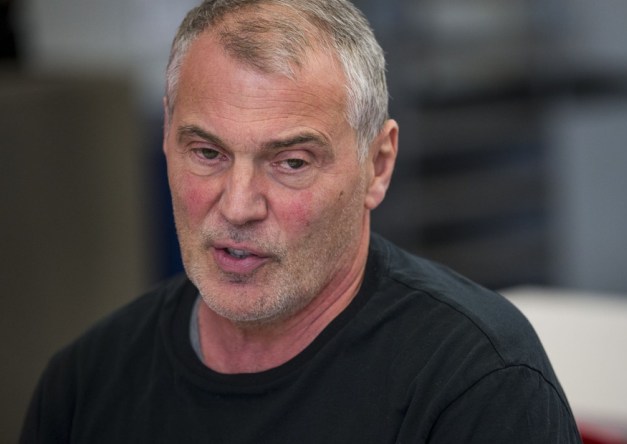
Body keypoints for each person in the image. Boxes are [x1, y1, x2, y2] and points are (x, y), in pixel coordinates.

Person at [21, 0, 580, 442]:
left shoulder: (478, 387)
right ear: (167, 137)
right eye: (208, 153)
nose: (238, 205)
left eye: (290, 163)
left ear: (377, 165)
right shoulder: (86, 384)